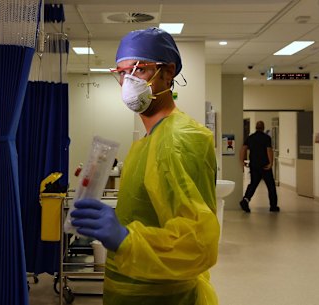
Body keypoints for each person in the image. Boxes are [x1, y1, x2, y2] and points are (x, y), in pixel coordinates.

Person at [70, 27, 220, 305]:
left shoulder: (178, 139)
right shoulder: (149, 139)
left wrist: (125, 239)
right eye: (122, 73)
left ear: (168, 72)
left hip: (163, 296)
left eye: (139, 70)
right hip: (134, 290)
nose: (128, 82)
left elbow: (198, 244)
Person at [239, 121, 280, 213]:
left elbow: (243, 148)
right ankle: (273, 206)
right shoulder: (266, 138)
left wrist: (242, 161)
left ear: (256, 127)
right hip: (265, 166)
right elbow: (269, 150)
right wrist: (271, 163)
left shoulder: (250, 137)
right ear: (263, 127)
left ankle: (245, 200)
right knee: (271, 186)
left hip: (254, 165)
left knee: (253, 184)